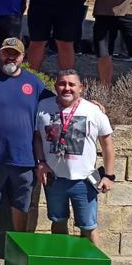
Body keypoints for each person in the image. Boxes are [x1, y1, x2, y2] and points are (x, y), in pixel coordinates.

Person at [0, 38, 49, 265]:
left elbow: (62, 100)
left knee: (21, 206)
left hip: (24, 158)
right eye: (6, 53)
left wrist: (92, 103)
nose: (10, 58)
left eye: (15, 54)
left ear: (23, 57)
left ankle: (16, 250)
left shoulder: (34, 83)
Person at [33, 69, 116, 245]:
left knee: (88, 226)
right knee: (58, 221)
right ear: (55, 86)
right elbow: (38, 138)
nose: (66, 88)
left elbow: (107, 145)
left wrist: (109, 176)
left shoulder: (93, 110)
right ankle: (62, 263)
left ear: (81, 88)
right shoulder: (43, 107)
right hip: (54, 179)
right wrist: (41, 163)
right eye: (62, 84)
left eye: (72, 84)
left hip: (84, 181)